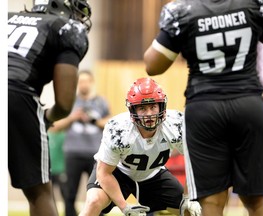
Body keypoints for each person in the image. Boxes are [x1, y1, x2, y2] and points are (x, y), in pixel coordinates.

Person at [143, 1, 263, 216]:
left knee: (211, 203)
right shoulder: (251, 4)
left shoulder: (184, 11)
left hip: (204, 107)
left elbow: (152, 65)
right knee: (257, 202)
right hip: (248, 103)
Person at [8, 0, 91, 215]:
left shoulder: (6, 18)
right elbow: (64, 105)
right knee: (39, 193)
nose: (79, 19)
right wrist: (46, 117)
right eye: (77, 12)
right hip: (16, 93)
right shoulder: (65, 28)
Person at [78, 77, 201, 216]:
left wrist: (187, 196)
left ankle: (159, 208)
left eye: (153, 107)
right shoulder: (119, 130)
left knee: (191, 210)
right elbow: (104, 173)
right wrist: (124, 207)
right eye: (142, 108)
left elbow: (196, 160)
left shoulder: (175, 124)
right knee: (93, 201)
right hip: (118, 172)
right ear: (133, 110)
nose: (149, 114)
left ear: (162, 106)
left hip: (153, 173)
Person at [54, 70, 111, 216]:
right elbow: (55, 126)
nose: (83, 84)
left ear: (91, 83)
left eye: (86, 81)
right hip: (73, 153)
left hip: (96, 155)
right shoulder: (70, 102)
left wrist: (94, 121)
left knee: (99, 192)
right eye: (81, 81)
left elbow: (110, 124)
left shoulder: (101, 102)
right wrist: (72, 117)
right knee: (69, 194)